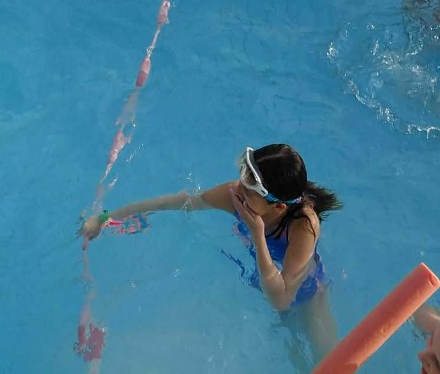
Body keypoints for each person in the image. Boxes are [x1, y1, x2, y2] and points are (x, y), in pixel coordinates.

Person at [80, 143, 340, 352]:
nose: (237, 192)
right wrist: (105, 218)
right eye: (242, 181)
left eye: (248, 192)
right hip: (263, 276)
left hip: (304, 290)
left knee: (323, 353)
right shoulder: (234, 195)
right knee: (294, 354)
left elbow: (281, 300)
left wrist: (257, 234)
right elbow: (173, 203)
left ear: (279, 207)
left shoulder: (303, 226)